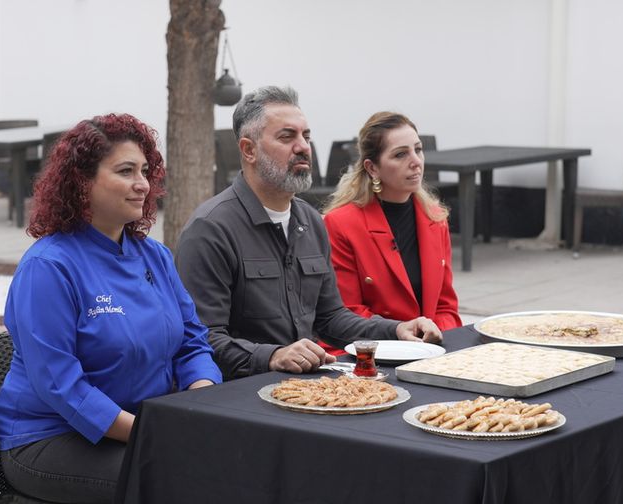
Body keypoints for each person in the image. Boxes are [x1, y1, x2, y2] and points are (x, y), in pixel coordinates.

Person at [0, 113, 222, 504]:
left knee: (238, 462)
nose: (142, 184)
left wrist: (199, 399)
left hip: (142, 425)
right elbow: (60, 385)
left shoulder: (155, 256)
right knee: (177, 482)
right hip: (51, 437)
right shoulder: (48, 267)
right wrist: (151, 434)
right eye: (126, 171)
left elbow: (192, 342)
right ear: (82, 182)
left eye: (145, 171)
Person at [176, 86, 441, 381]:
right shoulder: (211, 229)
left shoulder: (311, 221)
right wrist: (273, 355)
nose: (303, 147)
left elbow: (331, 318)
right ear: (249, 150)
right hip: (243, 395)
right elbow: (201, 341)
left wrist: (394, 330)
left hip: (307, 387)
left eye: (307, 136)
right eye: (287, 137)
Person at [322, 112, 462, 333]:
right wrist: (401, 332)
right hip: (372, 351)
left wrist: (436, 336)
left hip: (429, 350)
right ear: (372, 168)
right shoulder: (341, 224)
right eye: (400, 155)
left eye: (418, 149)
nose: (416, 162)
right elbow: (346, 313)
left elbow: (446, 308)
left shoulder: (435, 218)